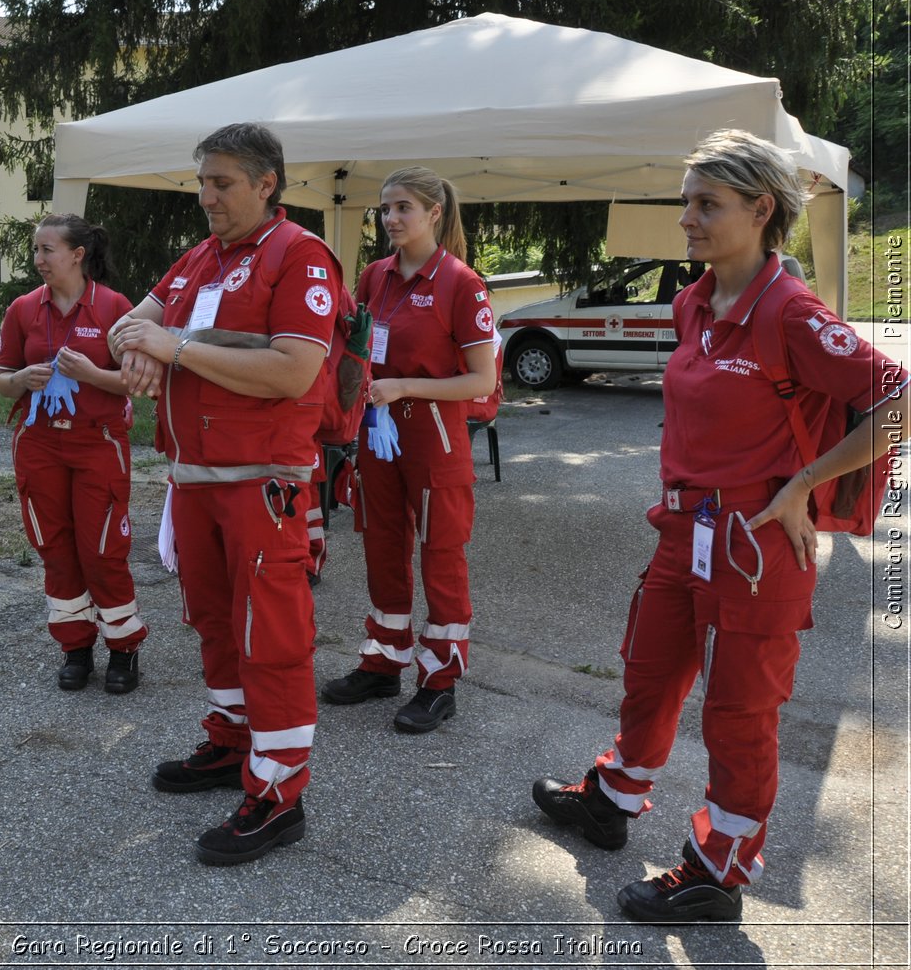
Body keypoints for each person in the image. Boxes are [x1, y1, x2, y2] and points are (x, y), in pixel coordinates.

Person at [532, 129, 906, 923]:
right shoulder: (693, 300)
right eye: (686, 203)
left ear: (761, 209)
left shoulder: (793, 312)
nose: (687, 220)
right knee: (650, 667)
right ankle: (614, 798)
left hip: (759, 542)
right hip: (685, 526)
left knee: (738, 710)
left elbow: (897, 401)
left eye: (707, 204)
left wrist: (807, 482)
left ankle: (717, 869)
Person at [111, 122, 337, 865]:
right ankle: (230, 739)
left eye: (222, 183)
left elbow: (292, 372)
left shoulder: (299, 256)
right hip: (196, 479)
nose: (206, 196)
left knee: (269, 638)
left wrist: (170, 347)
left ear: (266, 184)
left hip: (261, 483)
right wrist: (137, 346)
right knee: (212, 621)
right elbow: (130, 321)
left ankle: (278, 793)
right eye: (201, 181)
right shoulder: (201, 258)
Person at [320, 167, 497, 733]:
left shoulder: (461, 283)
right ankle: (384, 661)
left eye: (402, 208)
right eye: (385, 209)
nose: (390, 219)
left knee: (440, 553)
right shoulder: (374, 277)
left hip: (432, 433)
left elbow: (480, 381)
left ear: (434, 214)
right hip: (377, 432)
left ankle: (440, 680)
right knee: (382, 543)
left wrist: (404, 387)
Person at [0, 214, 147, 693]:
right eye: (36, 250)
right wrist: (21, 380)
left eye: (46, 250)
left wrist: (90, 375)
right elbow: (2, 380)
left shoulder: (115, 307)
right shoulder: (22, 309)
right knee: (56, 549)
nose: (38, 260)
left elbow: (137, 381)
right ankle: (75, 647)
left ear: (77, 255)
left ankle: (123, 647)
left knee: (102, 548)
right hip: (39, 443)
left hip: (96, 441)